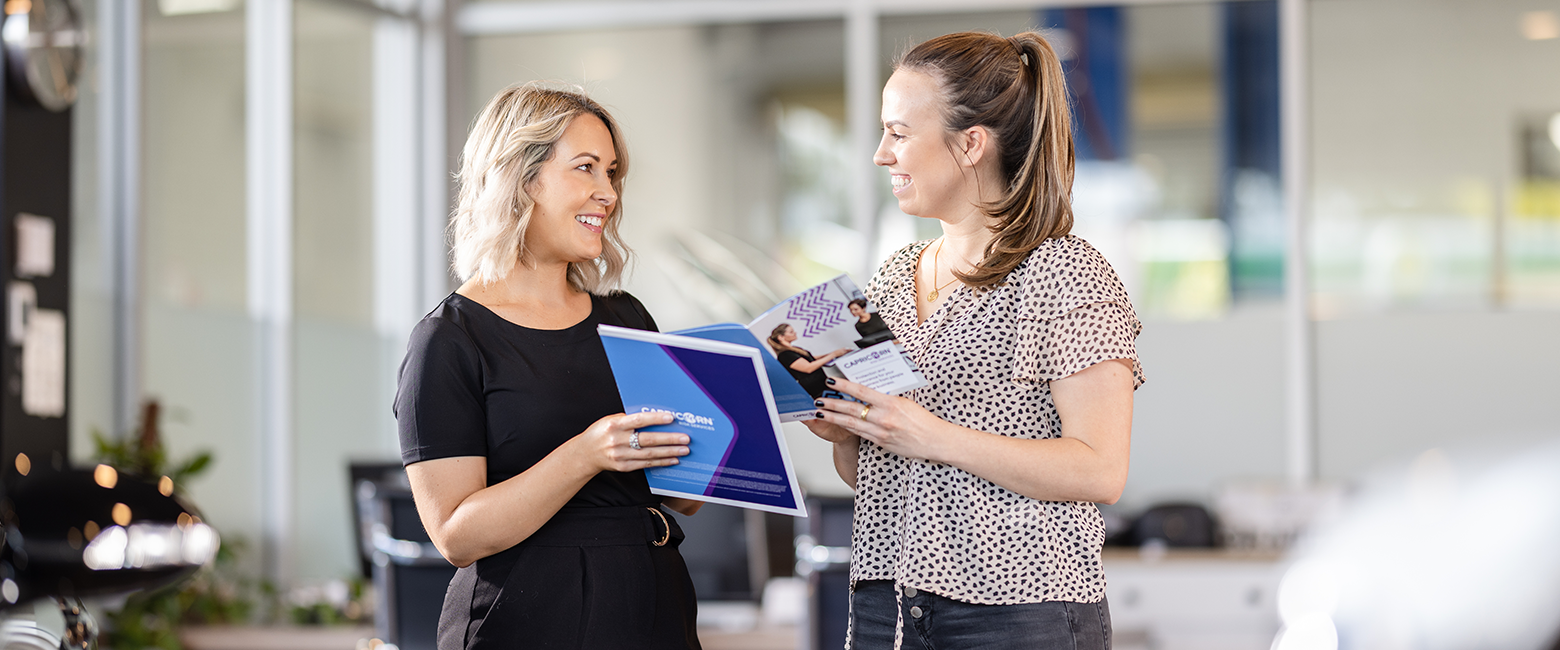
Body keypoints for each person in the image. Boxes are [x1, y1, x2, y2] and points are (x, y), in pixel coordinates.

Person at [805, 31, 1145, 650]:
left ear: (969, 144)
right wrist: (852, 434)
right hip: (889, 604)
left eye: (899, 132)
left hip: (1019, 612)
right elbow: (879, 474)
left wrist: (928, 433)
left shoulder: (1065, 275)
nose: (881, 155)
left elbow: (1100, 470)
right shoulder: (891, 276)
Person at [395, 83, 704, 650]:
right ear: (520, 178)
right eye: (586, 168)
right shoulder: (449, 340)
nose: (607, 193)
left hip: (653, 606)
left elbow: (681, 495)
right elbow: (456, 537)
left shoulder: (628, 318)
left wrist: (738, 420)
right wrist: (585, 454)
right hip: (527, 620)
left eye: (611, 173)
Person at [767, 323, 851, 399]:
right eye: (791, 332)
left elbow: (810, 358)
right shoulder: (785, 355)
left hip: (822, 384)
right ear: (781, 337)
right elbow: (808, 367)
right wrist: (833, 355)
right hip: (817, 389)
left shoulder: (793, 350)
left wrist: (833, 354)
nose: (795, 332)